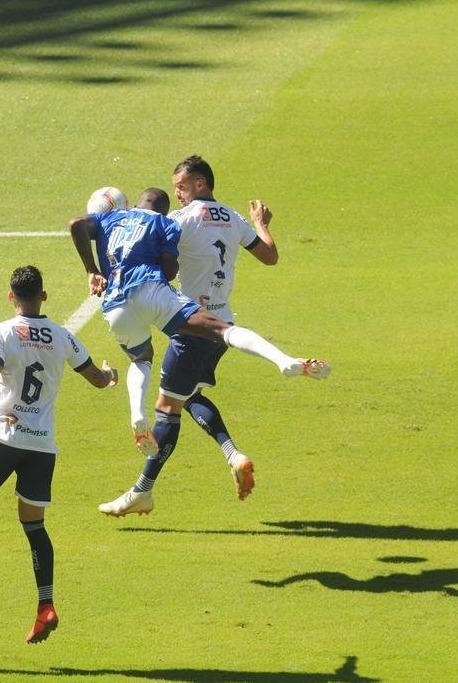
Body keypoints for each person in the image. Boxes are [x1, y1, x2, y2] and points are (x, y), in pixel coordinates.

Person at [99, 156, 314, 517]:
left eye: (181, 187)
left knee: (167, 411)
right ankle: (233, 454)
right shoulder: (234, 218)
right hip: (223, 321)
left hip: (192, 327)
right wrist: (261, 223)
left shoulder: (179, 221)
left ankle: (142, 491)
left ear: (200, 183)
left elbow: (142, 246)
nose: (177, 194)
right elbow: (270, 256)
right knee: (190, 394)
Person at [69, 187, 328, 469]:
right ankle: (283, 360)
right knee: (222, 330)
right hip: (153, 293)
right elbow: (169, 272)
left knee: (141, 359)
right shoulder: (164, 223)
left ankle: (136, 414)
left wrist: (92, 270)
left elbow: (76, 226)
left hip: (115, 306)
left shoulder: (111, 219)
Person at [0, 265, 117, 644]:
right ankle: (45, 605)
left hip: (3, 437)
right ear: (44, 296)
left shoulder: (0, 332)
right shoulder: (64, 336)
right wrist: (111, 374)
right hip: (41, 445)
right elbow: (98, 380)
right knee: (34, 525)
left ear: (10, 296)